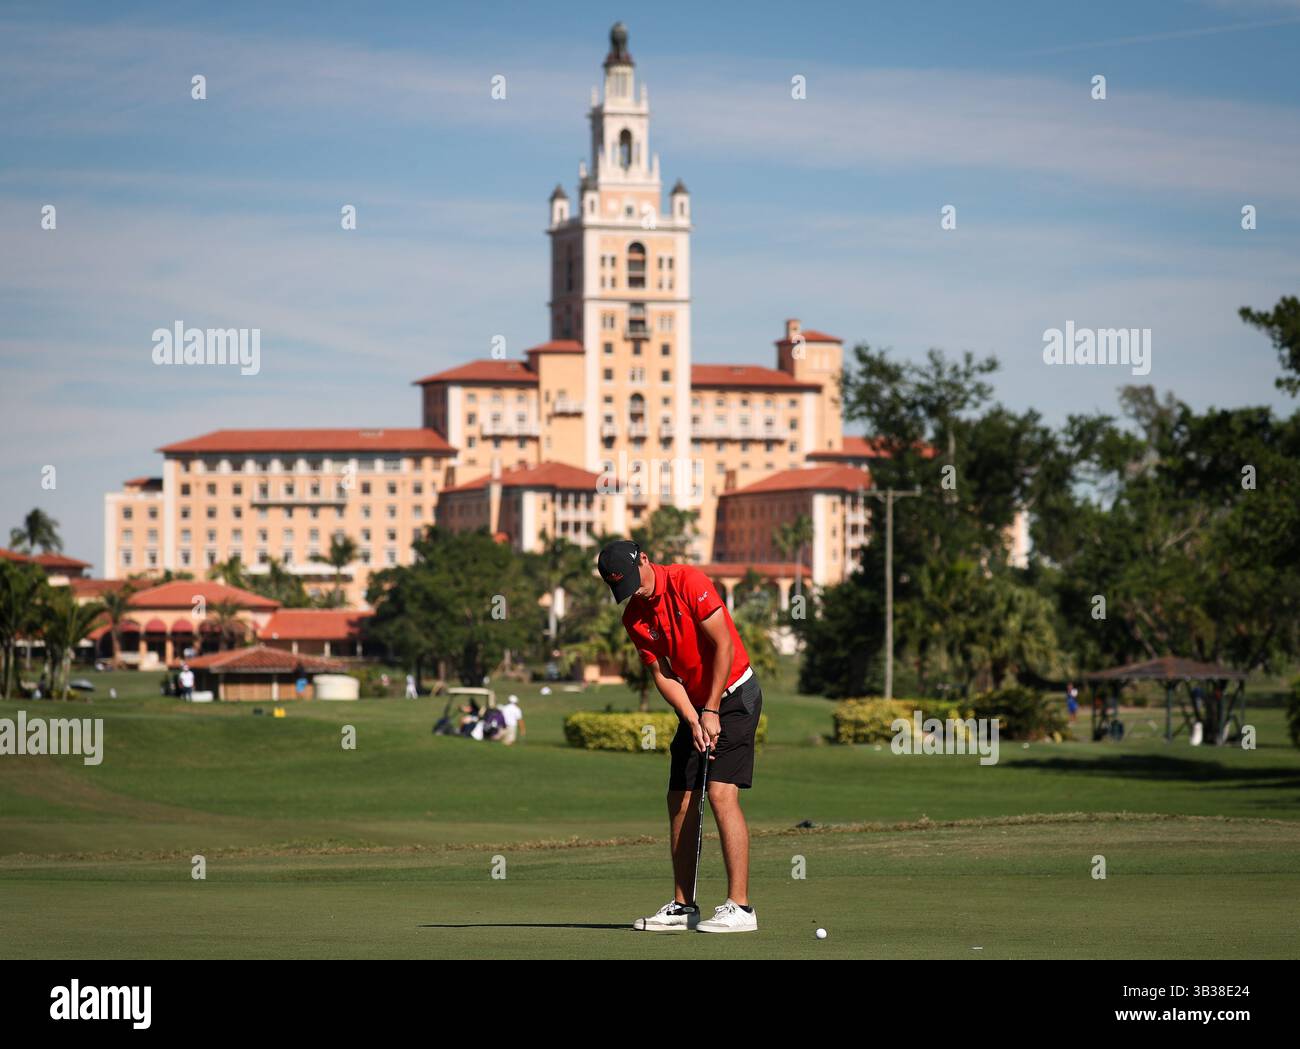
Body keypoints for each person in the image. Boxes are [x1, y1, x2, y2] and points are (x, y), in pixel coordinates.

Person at [598, 539, 762, 934]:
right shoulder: (634, 617)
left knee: (721, 793)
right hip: (696, 705)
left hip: (736, 694)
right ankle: (684, 906)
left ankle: (741, 907)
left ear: (646, 561)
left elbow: (723, 643)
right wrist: (692, 717)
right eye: (623, 590)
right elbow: (662, 674)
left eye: (634, 582)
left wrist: (711, 709)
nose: (632, 593)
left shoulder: (688, 581)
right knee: (681, 798)